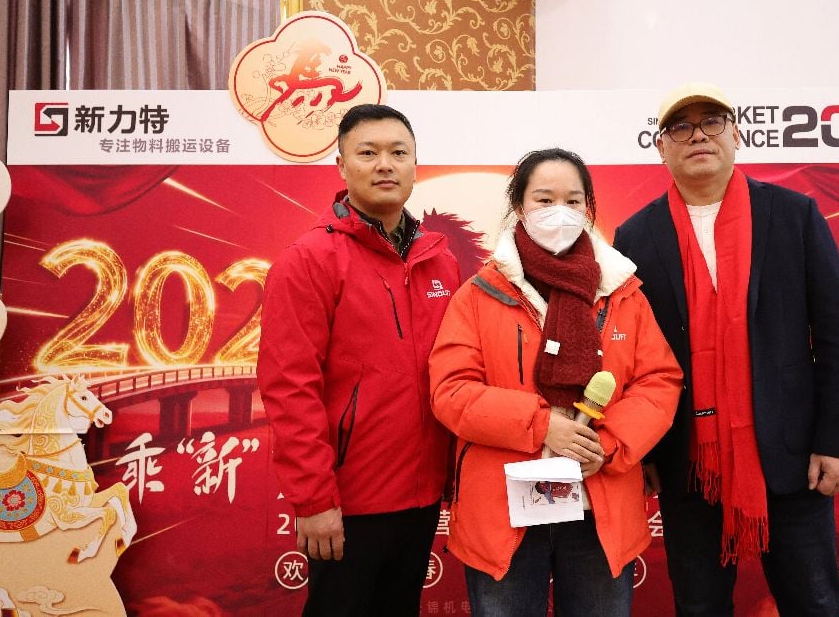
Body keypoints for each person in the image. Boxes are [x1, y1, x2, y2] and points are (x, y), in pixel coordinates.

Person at [613, 82, 839, 615]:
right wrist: (646, 451)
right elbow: (628, 355)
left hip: (795, 459)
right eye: (680, 127)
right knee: (700, 607)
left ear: (737, 134)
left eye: (713, 122)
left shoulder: (794, 215)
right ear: (660, 147)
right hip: (690, 462)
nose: (698, 135)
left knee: (815, 603)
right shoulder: (636, 236)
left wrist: (838, 441)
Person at [429, 148, 682, 616]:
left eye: (572, 200)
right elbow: (452, 391)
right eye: (544, 200)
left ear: (589, 208)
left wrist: (605, 444)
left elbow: (659, 381)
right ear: (519, 206)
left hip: (599, 499)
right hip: (503, 504)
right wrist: (544, 426)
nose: (559, 212)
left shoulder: (623, 291)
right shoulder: (480, 295)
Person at [256, 103, 460, 616]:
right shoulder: (308, 260)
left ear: (416, 165)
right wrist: (314, 499)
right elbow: (289, 387)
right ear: (342, 166)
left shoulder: (441, 260)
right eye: (367, 153)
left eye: (398, 152)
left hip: (422, 494)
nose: (384, 165)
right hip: (347, 501)